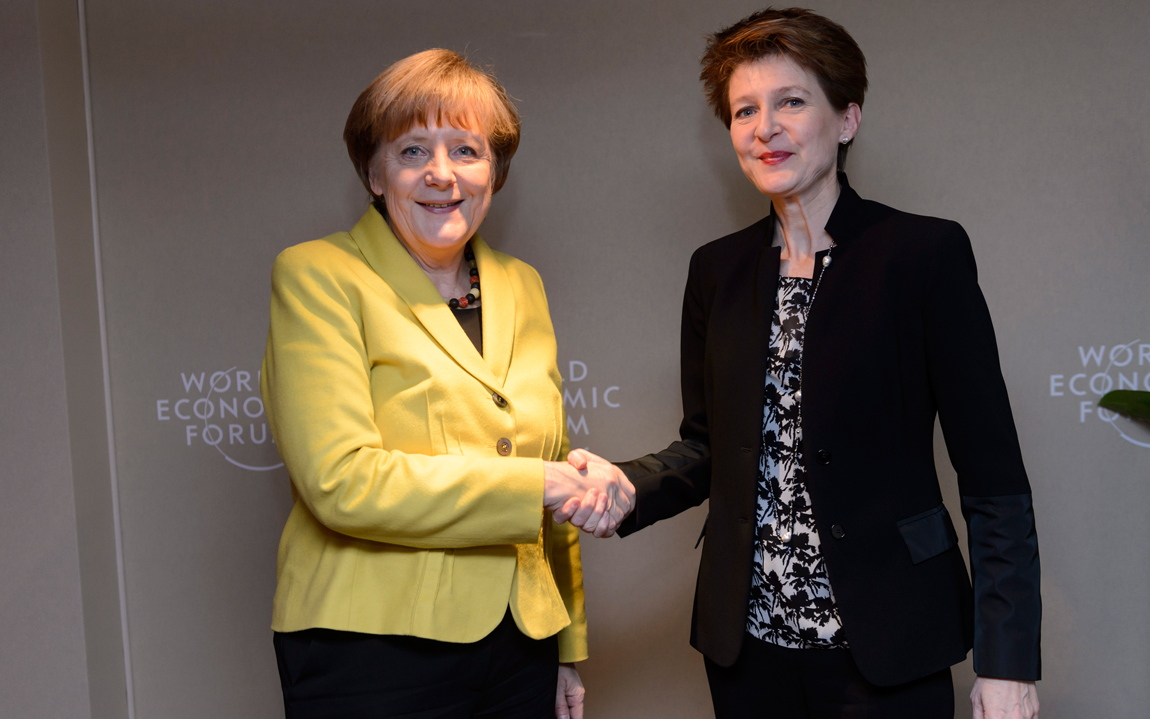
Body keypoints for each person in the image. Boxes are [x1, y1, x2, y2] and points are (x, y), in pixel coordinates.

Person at [560, 8, 1041, 718]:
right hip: (748, 650)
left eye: (791, 101)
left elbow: (994, 478)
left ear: (846, 118)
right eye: (744, 109)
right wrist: (628, 486)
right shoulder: (716, 270)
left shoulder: (923, 254)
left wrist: (1007, 661)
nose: (765, 127)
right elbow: (706, 446)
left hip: (889, 641)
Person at [261, 48, 633, 719]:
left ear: (494, 170)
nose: (442, 174)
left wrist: (567, 644)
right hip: (371, 646)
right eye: (411, 152)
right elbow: (341, 480)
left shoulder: (522, 283)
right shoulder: (317, 275)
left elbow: (551, 466)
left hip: (522, 643)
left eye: (466, 149)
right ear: (374, 173)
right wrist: (538, 484)